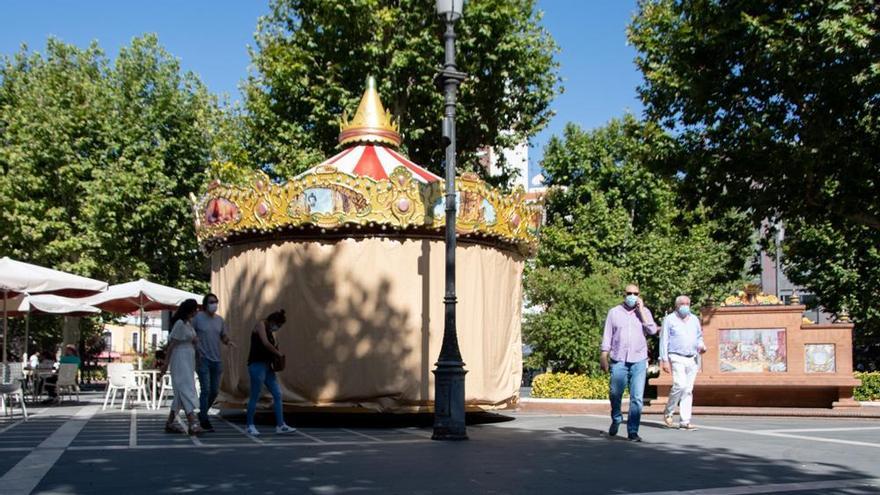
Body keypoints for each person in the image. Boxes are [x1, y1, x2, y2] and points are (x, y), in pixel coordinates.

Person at [600, 283, 658, 442]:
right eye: (629, 293)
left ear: (639, 295)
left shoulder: (644, 312)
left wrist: (642, 313)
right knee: (615, 393)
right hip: (619, 359)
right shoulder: (614, 312)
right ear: (624, 294)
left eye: (635, 293)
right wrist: (604, 356)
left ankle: (632, 431)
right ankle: (617, 417)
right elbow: (607, 335)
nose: (632, 296)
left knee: (637, 398)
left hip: (639, 359)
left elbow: (652, 331)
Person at [659, 295, 706, 430]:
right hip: (676, 356)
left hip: (692, 357)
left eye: (687, 303)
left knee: (688, 390)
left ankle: (685, 421)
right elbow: (664, 340)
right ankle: (669, 411)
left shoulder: (694, 319)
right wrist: (664, 360)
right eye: (682, 304)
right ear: (677, 305)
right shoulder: (669, 320)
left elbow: (699, 337)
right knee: (680, 385)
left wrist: (701, 346)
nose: (685, 306)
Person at [245, 309, 295, 436]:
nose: (277, 328)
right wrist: (279, 354)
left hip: (267, 367)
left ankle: (280, 425)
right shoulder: (261, 324)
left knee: (277, 394)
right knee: (255, 395)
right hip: (257, 364)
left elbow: (270, 344)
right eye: (278, 325)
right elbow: (265, 343)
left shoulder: (271, 333)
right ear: (273, 321)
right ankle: (250, 425)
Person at [161, 299, 203, 435]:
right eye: (195, 309)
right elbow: (172, 344)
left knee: (181, 391)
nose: (197, 311)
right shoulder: (180, 324)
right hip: (180, 358)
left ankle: (170, 422)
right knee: (185, 387)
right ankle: (192, 422)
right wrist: (165, 363)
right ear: (190, 310)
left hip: (188, 358)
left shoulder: (188, 324)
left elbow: (193, 340)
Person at [193, 293, 234, 432]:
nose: (214, 304)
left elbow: (222, 335)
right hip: (202, 358)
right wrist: (196, 350)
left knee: (214, 391)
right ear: (205, 304)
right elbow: (191, 334)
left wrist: (228, 342)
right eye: (211, 302)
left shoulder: (219, 320)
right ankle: (204, 419)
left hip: (216, 359)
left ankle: (202, 412)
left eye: (216, 302)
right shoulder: (197, 318)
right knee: (205, 389)